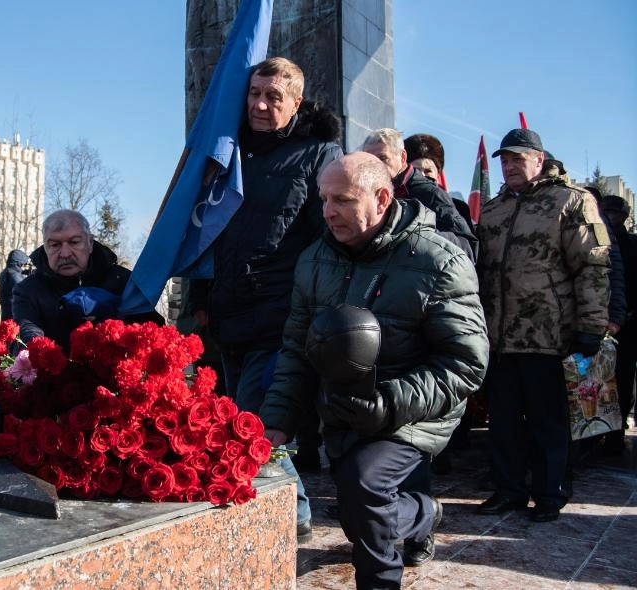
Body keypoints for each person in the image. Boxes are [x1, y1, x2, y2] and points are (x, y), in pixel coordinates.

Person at [260, 152, 488, 588]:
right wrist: (277, 421)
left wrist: (388, 404)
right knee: (355, 512)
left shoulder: (440, 262)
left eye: (342, 199)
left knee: (366, 488)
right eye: (324, 198)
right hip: (346, 407)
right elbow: (296, 349)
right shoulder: (314, 259)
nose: (328, 211)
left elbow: (465, 363)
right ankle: (424, 513)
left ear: (382, 198)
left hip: (417, 410)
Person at [188, 57, 344, 541]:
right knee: (240, 421)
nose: (259, 104)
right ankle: (276, 512)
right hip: (227, 314)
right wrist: (199, 296)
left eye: (273, 97)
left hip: (280, 316)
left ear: (296, 102)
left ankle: (292, 519)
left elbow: (329, 242)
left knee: (259, 424)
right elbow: (204, 229)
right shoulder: (228, 150)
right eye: (254, 93)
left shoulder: (318, 155)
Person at [476, 128, 611, 523]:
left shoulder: (570, 201)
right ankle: (509, 490)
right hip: (499, 335)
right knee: (502, 421)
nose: (510, 166)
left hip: (548, 334)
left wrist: (592, 323)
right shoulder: (494, 208)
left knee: (546, 420)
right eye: (505, 160)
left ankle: (550, 494)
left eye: (519, 158)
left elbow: (593, 266)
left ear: (539, 160)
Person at [13, 209, 161, 351]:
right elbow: (28, 334)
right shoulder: (28, 291)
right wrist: (36, 354)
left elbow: (153, 330)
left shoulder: (123, 282)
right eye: (55, 245)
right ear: (45, 247)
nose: (65, 253)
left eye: (74, 242)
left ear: (89, 243)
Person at [362, 128, 478, 262]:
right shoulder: (365, 195)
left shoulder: (430, 194)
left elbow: (466, 247)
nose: (376, 166)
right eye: (370, 160)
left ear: (402, 157)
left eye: (383, 158)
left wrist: (416, 239)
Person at [600, 194, 637, 454]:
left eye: (616, 214)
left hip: (626, 324)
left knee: (622, 378)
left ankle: (615, 433)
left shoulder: (631, 244)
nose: (611, 218)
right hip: (603, 320)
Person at [0, 249, 30, 321]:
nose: (24, 266)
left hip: (6, 313)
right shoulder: (14, 275)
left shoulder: (5, 272)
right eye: (23, 263)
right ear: (19, 262)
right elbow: (25, 290)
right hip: (14, 315)